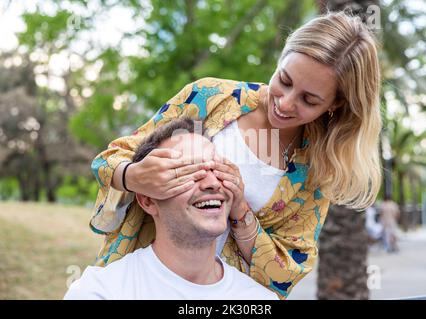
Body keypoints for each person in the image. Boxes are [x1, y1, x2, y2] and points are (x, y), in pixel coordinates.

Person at [90, 12, 382, 299]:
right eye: (285, 79)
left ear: (335, 103)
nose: (285, 102)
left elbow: (286, 274)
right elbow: (108, 159)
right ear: (282, 56)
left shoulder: (316, 168)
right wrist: (134, 175)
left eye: (309, 100)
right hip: (141, 286)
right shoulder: (210, 100)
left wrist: (241, 211)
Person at [65, 118, 278, 300]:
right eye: (188, 171)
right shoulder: (101, 291)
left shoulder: (257, 299)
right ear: (148, 201)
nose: (212, 182)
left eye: (217, 168)